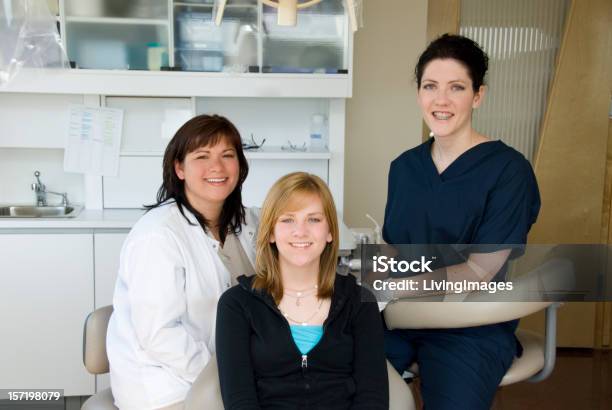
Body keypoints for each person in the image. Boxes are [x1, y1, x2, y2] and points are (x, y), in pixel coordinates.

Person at [382, 34, 541, 409]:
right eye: (430, 86)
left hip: (469, 325)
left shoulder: (508, 170)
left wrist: (396, 290)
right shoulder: (404, 167)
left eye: (457, 87)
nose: (441, 100)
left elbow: (479, 271)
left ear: (478, 95)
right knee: (337, 386)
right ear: (419, 93)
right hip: (398, 318)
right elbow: (394, 248)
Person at [106, 114, 259, 410]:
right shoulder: (158, 236)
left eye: (228, 155)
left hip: (223, 372)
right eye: (202, 156)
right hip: (167, 386)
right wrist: (229, 377)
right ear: (179, 168)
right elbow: (160, 335)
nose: (217, 167)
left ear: (240, 166)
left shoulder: (244, 222)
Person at [216, 172, 389, 409]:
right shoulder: (237, 304)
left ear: (330, 232)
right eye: (287, 220)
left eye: (314, 219)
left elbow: (373, 399)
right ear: (271, 233)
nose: (301, 231)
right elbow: (240, 401)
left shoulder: (359, 301)